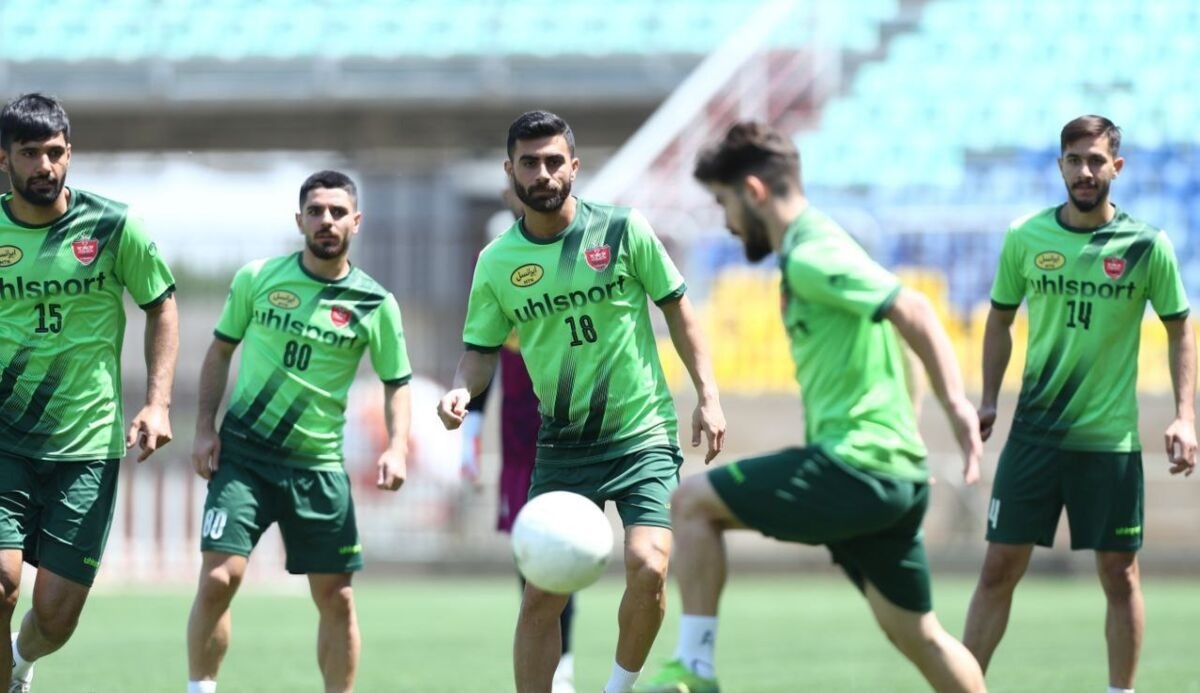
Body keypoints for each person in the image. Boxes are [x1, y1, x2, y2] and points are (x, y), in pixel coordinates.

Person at [636, 121, 986, 693]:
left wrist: (955, 407)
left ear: (753, 191)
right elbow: (896, 335)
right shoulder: (824, 243)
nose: (725, 222)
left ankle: (694, 668)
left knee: (692, 503)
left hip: (855, 467)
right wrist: (908, 434)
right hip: (892, 472)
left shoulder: (811, 254)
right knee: (922, 637)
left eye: (724, 203)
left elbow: (916, 311)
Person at [437, 110, 726, 693]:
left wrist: (708, 395)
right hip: (563, 446)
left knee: (650, 566)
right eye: (529, 163)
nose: (542, 173)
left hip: (642, 434)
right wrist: (462, 388)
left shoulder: (623, 230)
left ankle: (616, 689)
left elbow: (678, 307)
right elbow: (479, 352)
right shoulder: (496, 262)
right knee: (542, 594)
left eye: (553, 161)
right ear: (510, 171)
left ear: (574, 165)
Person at [962, 115, 1196, 693]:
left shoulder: (1147, 245)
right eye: (1074, 160)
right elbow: (999, 320)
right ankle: (962, 687)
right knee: (998, 569)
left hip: (1108, 441)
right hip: (1034, 436)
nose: (1085, 171)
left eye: (1096, 160)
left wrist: (1185, 415)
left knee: (1120, 575)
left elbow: (1180, 329)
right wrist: (988, 398)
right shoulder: (1025, 236)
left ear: (1117, 167)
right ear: (1060, 165)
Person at [186, 170, 412, 693]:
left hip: (319, 467)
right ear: (299, 220)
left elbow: (397, 382)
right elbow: (220, 351)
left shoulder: (376, 303)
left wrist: (397, 447)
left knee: (338, 598)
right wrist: (203, 428)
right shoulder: (258, 278)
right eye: (315, 211)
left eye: (337, 212)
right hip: (244, 458)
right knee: (220, 577)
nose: (326, 221)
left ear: (356, 221)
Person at [0, 93, 179, 693]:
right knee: (1, 585)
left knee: (55, 618)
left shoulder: (113, 226)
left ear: (70, 153)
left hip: (86, 445)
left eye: (55, 152)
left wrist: (157, 402)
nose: (44, 165)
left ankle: (20, 660)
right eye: (30, 153)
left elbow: (162, 306)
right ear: (4, 159)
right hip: (5, 440)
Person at [460, 188, 577, 693]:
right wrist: (470, 430)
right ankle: (546, 658)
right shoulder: (497, 265)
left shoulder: (572, 260)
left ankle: (565, 660)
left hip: (569, 431)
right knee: (530, 550)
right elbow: (482, 353)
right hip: (518, 438)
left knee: (567, 545)